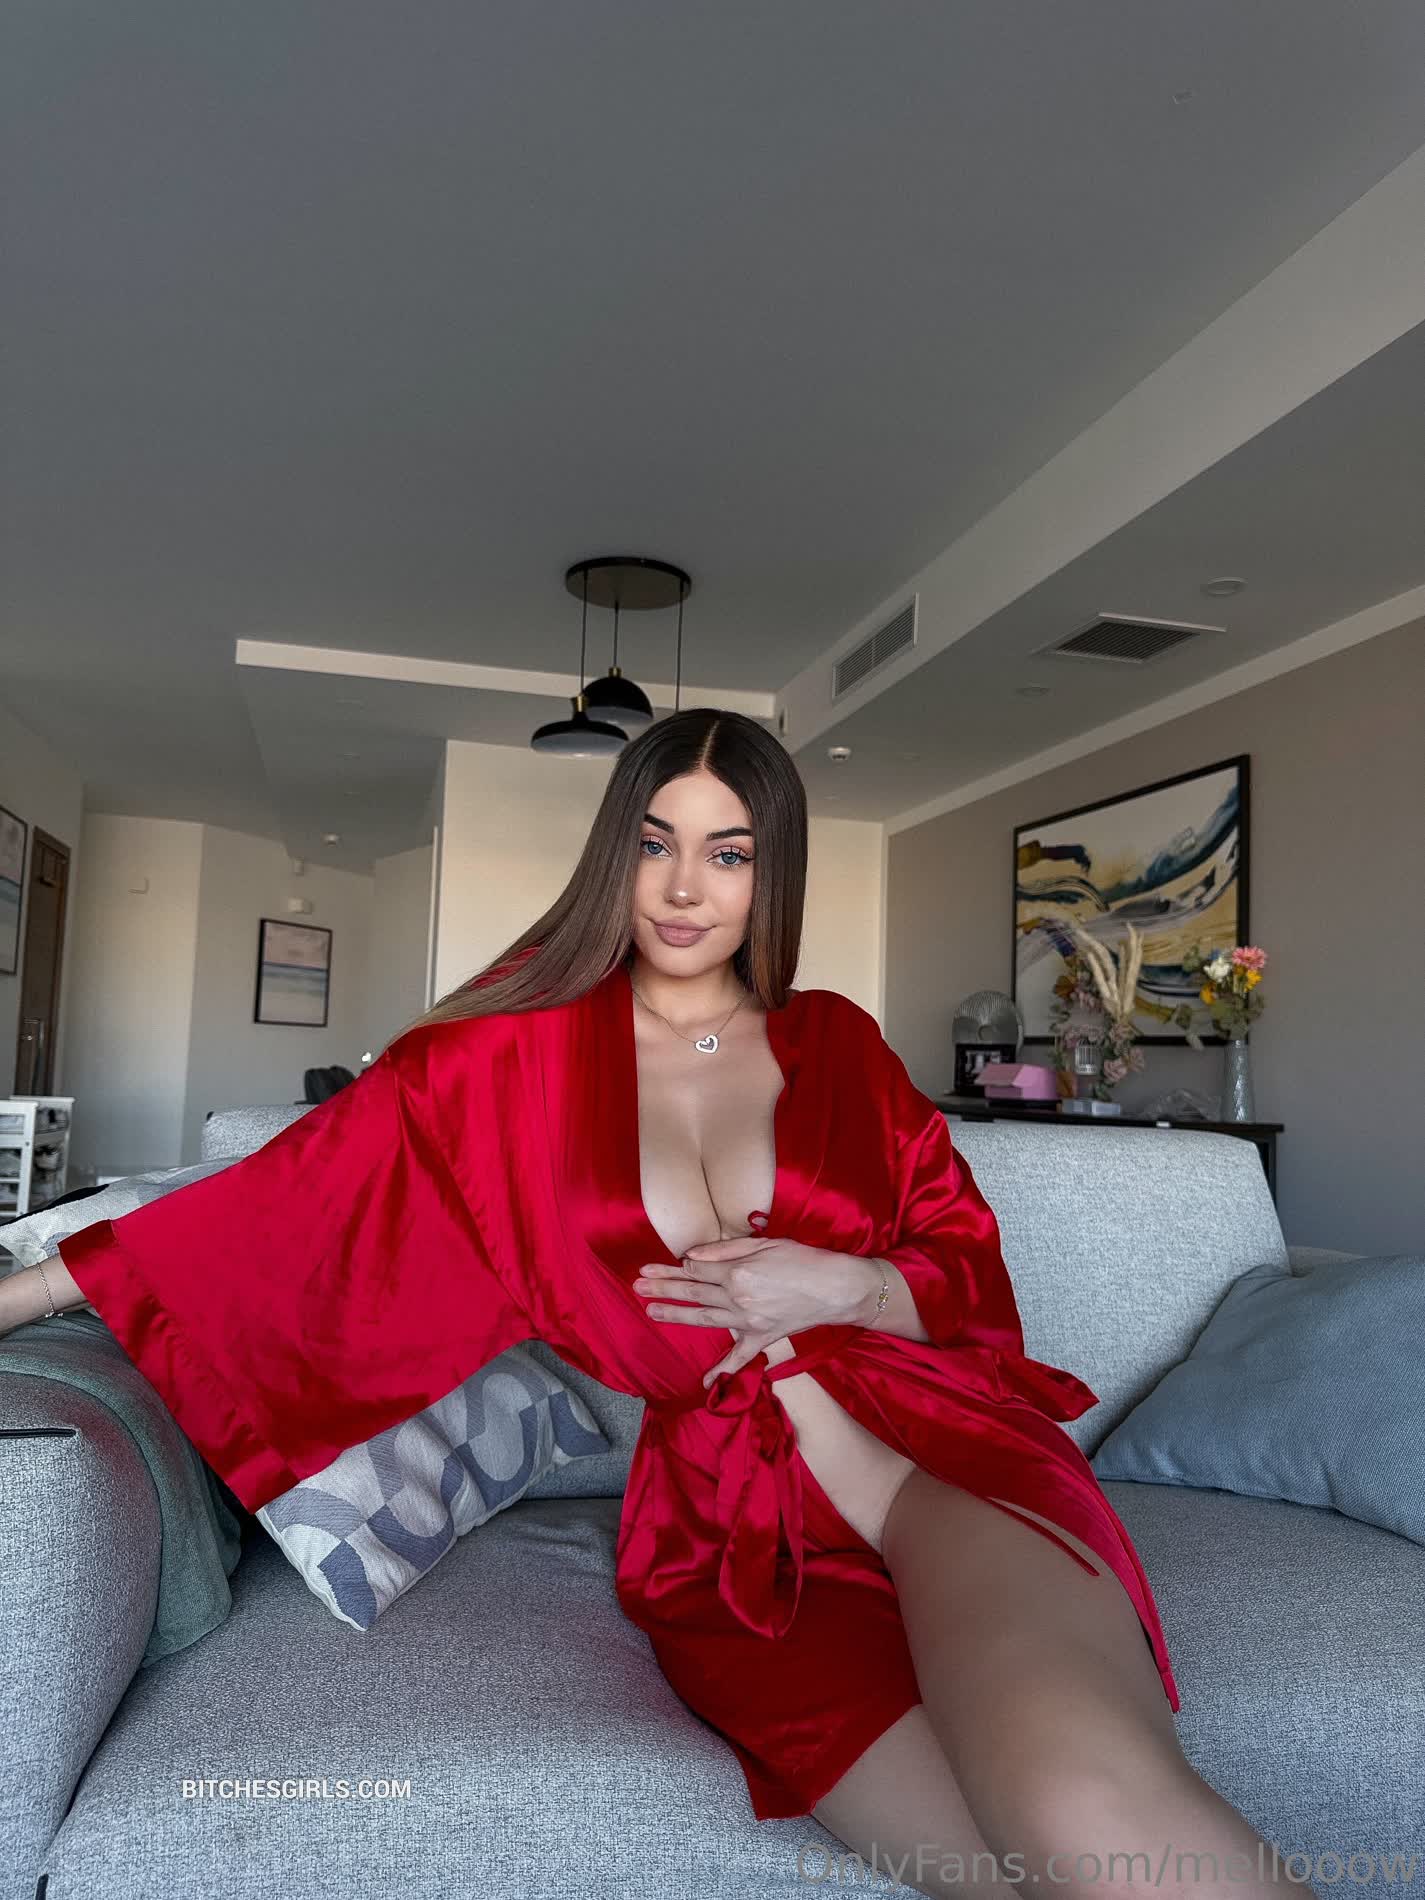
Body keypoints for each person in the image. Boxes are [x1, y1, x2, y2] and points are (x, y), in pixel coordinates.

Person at [2, 709, 1286, 1897]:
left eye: (728, 854)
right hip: (730, 1539)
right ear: (615, 854)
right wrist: (28, 1290)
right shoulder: (500, 1059)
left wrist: (856, 1282)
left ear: (770, 874)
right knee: (994, 1871)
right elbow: (278, 1204)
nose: (683, 888)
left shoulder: (838, 1040)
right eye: (657, 844)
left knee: (1090, 1815)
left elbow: (966, 1261)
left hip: (943, 1458)